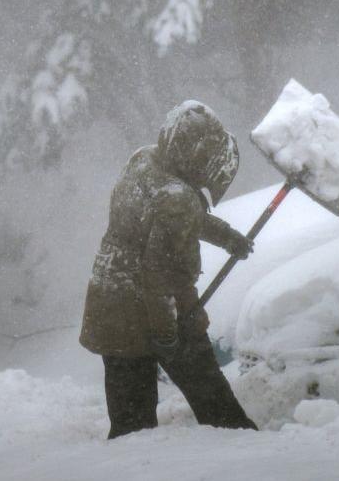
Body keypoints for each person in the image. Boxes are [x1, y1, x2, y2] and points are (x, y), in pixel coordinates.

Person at [79, 100, 259, 439]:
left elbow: (166, 216)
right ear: (195, 154)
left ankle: (131, 459)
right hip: (151, 312)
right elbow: (159, 277)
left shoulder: (144, 159)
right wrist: (167, 336)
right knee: (211, 397)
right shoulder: (177, 199)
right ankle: (243, 445)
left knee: (130, 421)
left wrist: (226, 236)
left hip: (109, 303)